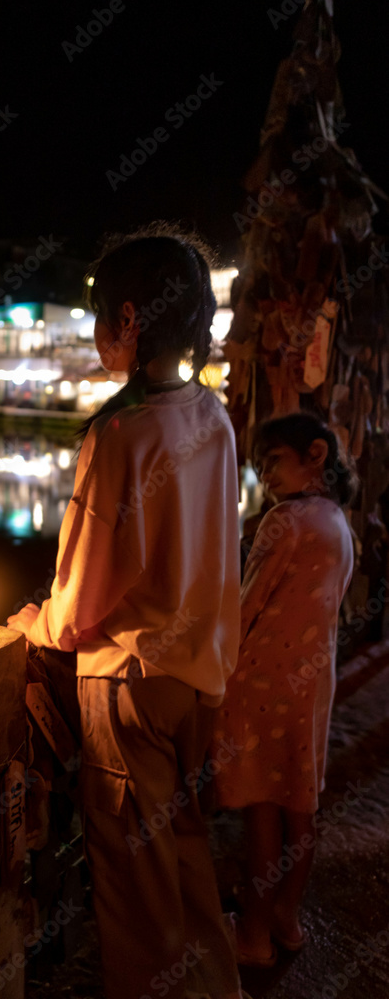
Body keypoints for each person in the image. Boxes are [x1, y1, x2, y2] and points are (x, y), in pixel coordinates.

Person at [8, 222, 247, 999]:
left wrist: (30, 627)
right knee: (182, 863)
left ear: (132, 318)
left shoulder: (120, 434)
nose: (96, 329)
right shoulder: (211, 417)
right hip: (194, 680)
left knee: (135, 894)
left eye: (101, 313)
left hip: (126, 683)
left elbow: (79, 602)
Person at [211, 412, 355, 968]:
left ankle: (250, 936)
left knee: (261, 812)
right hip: (312, 685)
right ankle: (285, 919)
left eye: (272, 461)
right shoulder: (336, 521)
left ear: (314, 455)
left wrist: (212, 672)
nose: (264, 475)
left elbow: (244, 608)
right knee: (300, 805)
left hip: (261, 683)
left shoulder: (283, 523)